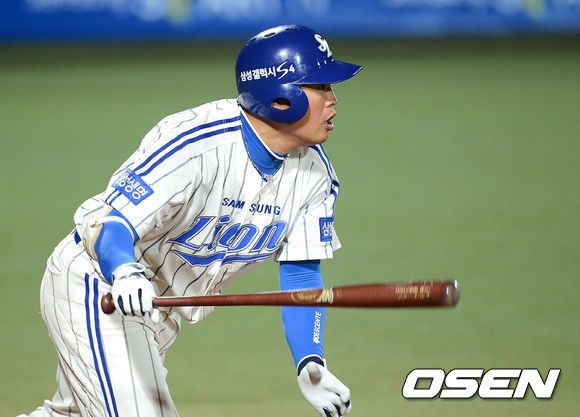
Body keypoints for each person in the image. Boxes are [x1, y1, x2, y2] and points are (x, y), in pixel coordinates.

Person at [19, 24, 361, 417]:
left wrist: (310, 360)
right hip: (101, 287)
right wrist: (125, 272)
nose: (334, 99)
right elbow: (112, 224)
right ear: (282, 97)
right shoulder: (196, 143)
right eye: (322, 86)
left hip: (158, 311)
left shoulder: (315, 176)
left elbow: (301, 275)